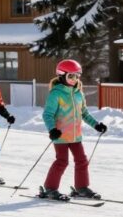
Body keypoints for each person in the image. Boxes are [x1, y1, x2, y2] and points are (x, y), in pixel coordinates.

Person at [40, 59, 108, 201]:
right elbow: (48, 114)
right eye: (71, 76)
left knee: (82, 160)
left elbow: (84, 114)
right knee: (62, 161)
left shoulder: (78, 94)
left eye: (77, 76)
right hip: (60, 136)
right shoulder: (56, 94)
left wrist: (96, 125)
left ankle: (81, 187)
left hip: (76, 136)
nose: (74, 79)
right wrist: (52, 129)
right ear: (61, 75)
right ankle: (50, 188)